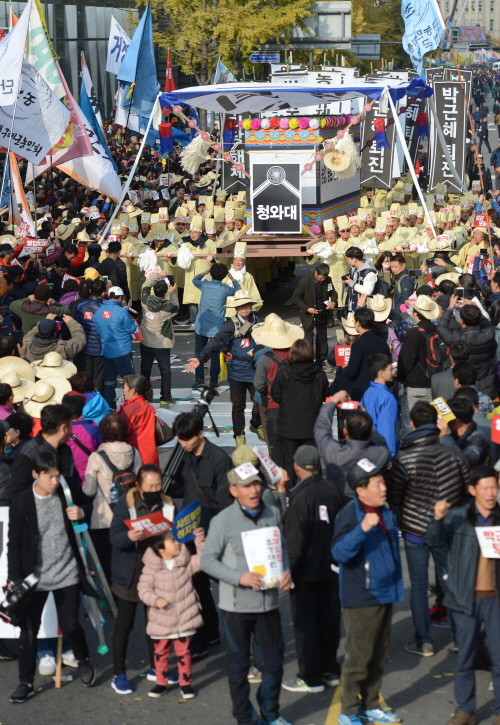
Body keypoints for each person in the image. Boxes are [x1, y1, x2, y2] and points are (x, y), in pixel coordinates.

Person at [201, 463, 292, 725]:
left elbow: (283, 548)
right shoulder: (222, 521)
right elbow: (207, 561)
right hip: (236, 607)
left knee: (273, 664)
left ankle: (270, 713)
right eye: (246, 486)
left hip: (268, 604)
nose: (253, 491)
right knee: (238, 668)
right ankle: (244, 718)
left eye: (256, 484)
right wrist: (239, 577)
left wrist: (286, 571)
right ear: (233, 490)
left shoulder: (273, 513)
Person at [8, 450, 96, 703]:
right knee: (28, 630)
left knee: (70, 625)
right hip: (34, 578)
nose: (55, 481)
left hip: (67, 572)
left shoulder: (66, 492)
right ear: (35, 474)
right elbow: (15, 544)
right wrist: (14, 578)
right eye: (49, 476)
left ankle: (83, 659)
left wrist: (81, 512)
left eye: (58, 475)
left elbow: (88, 504)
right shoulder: (22, 503)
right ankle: (26, 682)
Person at [387, 401, 470, 656]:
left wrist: (402, 515)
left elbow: (394, 496)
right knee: (450, 581)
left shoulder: (404, 457)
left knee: (419, 586)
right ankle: (460, 637)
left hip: (415, 530)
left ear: (412, 425)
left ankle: (423, 640)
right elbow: (467, 488)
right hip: (447, 527)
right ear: (436, 423)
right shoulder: (454, 452)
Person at [332, 457, 403, 725]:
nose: (383, 488)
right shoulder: (350, 514)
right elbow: (339, 553)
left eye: (383, 482)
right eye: (377, 484)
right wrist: (362, 530)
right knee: (358, 658)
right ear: (360, 490)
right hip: (362, 596)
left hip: (386, 592)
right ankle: (348, 711)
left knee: (377, 655)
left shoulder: (385, 511)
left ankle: (371, 705)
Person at [427, 466, 500, 725]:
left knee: (499, 657)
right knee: (465, 656)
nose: (490, 493)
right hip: (464, 599)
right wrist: (437, 519)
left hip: (495, 601)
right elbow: (435, 542)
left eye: (494, 487)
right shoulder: (458, 517)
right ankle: (465, 710)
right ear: (472, 490)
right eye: (485, 488)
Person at [281, 445, 344, 694]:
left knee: (306, 625)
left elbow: (295, 542)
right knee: (329, 620)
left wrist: (288, 571)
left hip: (306, 573)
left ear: (296, 467)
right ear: (318, 465)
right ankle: (330, 670)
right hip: (331, 567)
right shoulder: (333, 491)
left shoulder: (299, 498)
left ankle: (310, 677)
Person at [169, 411, 232, 657]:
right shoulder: (181, 456)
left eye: (187, 438)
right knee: (196, 585)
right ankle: (207, 634)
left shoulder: (219, 459)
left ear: (200, 434)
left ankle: (235, 634)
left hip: (213, 531)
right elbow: (178, 487)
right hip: (188, 532)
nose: (183, 443)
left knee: (225, 583)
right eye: (180, 438)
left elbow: (226, 502)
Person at [109, 464, 175, 695]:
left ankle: (157, 668)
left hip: (156, 572)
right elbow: (114, 537)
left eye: (158, 485)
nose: (155, 490)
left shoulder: (168, 505)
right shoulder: (125, 505)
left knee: (155, 624)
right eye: (150, 486)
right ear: (139, 485)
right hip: (129, 573)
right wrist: (129, 536)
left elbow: (176, 534)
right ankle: (119, 674)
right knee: (124, 625)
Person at [185, 289, 262, 446]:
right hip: (236, 371)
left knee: (259, 402)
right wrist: (200, 359)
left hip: (255, 370)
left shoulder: (259, 322)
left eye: (247, 306)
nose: (245, 309)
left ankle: (256, 423)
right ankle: (239, 435)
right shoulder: (229, 324)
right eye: (241, 307)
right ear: (236, 308)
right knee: (238, 405)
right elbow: (215, 342)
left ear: (251, 306)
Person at [138, 527, 206, 700]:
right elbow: (143, 589)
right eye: (173, 541)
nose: (178, 544)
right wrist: (155, 600)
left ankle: (186, 683)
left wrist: (200, 542)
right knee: (160, 653)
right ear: (160, 548)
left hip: (184, 617)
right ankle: (161, 682)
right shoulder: (151, 569)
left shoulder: (184, 563)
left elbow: (203, 560)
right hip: (161, 620)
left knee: (184, 653)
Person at [83, 412, 142, 581]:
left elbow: (89, 490)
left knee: (107, 557)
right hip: (129, 513)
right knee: (128, 554)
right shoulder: (134, 452)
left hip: (104, 516)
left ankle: (112, 590)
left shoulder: (96, 457)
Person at [271, 339, 329, 485]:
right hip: (312, 425)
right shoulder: (319, 373)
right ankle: (314, 488)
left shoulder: (284, 372)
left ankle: (290, 492)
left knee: (290, 461)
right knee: (313, 461)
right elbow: (326, 395)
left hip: (289, 424)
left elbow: (275, 395)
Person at [252, 315, 304, 467]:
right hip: (293, 402)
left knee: (271, 437)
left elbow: (258, 384)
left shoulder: (263, 356)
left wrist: (269, 392)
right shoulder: (295, 355)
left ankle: (275, 468)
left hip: (269, 403)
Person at [314, 403, 391, 499]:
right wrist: (364, 420)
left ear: (345, 431)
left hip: (338, 502)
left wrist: (332, 402)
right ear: (371, 432)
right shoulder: (381, 454)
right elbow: (381, 442)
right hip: (367, 502)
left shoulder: (333, 452)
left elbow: (321, 428)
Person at [10, 404, 82, 500]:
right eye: (70, 425)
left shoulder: (65, 450)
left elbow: (74, 482)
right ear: (64, 428)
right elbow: (18, 494)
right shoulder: (28, 454)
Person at [192, 263, 240, 388]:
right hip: (217, 327)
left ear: (211, 273)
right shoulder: (225, 289)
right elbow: (238, 290)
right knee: (214, 354)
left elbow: (195, 280)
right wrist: (232, 279)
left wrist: (204, 273)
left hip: (201, 325)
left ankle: (199, 379)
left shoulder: (204, 284)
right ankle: (214, 380)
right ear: (225, 275)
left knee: (199, 353)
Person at [437, 295, 496, 397]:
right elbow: (487, 324)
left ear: (462, 321)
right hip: (485, 381)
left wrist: (450, 307)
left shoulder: (456, 338)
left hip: (463, 383)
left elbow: (441, 327)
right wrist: (474, 309)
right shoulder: (488, 334)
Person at [329, 305, 391, 401]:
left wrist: (345, 368)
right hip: (380, 391)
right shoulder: (383, 343)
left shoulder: (358, 344)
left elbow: (351, 372)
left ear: (358, 323)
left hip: (362, 392)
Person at [139, 270, 179, 408]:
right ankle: (165, 399)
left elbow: (145, 285)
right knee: (165, 371)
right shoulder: (168, 307)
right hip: (161, 343)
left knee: (145, 369)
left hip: (146, 341)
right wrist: (172, 293)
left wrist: (158, 275)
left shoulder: (145, 300)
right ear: (164, 293)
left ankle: (144, 397)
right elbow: (176, 307)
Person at [93, 286, 136, 409]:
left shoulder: (99, 311)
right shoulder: (121, 311)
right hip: (122, 351)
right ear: (120, 297)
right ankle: (131, 405)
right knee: (129, 380)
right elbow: (131, 328)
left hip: (106, 350)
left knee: (109, 380)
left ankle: (110, 406)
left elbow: (97, 329)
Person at [291, 263, 337, 369]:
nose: (322, 279)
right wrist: (307, 308)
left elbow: (333, 293)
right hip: (309, 313)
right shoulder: (305, 282)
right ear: (315, 272)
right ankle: (308, 360)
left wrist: (333, 302)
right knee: (308, 338)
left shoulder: (328, 280)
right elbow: (296, 297)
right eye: (321, 277)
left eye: (324, 277)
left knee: (322, 337)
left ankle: (321, 361)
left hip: (322, 312)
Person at [360, 353, 398, 457]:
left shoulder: (367, 393)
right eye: (390, 369)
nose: (393, 372)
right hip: (382, 450)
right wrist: (391, 453)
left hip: (367, 447)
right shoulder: (387, 397)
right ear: (381, 373)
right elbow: (387, 429)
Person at [118, 374, 159, 466]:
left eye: (124, 387)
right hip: (150, 455)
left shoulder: (130, 409)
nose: (123, 390)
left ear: (132, 391)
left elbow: (120, 432)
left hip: (136, 457)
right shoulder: (148, 406)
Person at [61, 391, 102, 482]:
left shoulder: (59, 432)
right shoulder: (93, 429)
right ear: (82, 409)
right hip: (93, 478)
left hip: (68, 480)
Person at [75, 278, 106, 393]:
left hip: (86, 345)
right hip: (100, 347)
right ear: (103, 293)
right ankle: (97, 397)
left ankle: (86, 396)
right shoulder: (104, 308)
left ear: (90, 290)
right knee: (99, 375)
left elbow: (78, 324)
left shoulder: (80, 306)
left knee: (87, 373)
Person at [440, 397, 489, 468]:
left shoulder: (477, 438)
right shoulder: (453, 435)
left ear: (455, 419)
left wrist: (444, 436)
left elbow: (464, 464)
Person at [343, 247, 377, 312]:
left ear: (354, 260)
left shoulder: (369, 273)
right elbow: (349, 290)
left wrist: (351, 283)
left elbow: (367, 291)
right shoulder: (353, 270)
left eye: (348, 258)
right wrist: (346, 282)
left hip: (364, 310)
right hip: (351, 307)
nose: (347, 260)